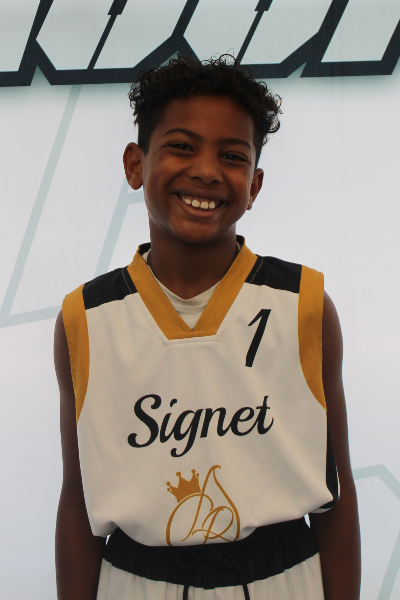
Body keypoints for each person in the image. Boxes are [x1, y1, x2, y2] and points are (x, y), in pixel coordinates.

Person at [54, 55, 361, 600]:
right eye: (181, 146)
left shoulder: (305, 305)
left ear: (255, 184)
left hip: (284, 579)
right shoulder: (86, 317)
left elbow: (336, 499)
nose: (207, 170)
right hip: (135, 581)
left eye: (233, 156)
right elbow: (79, 503)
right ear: (135, 164)